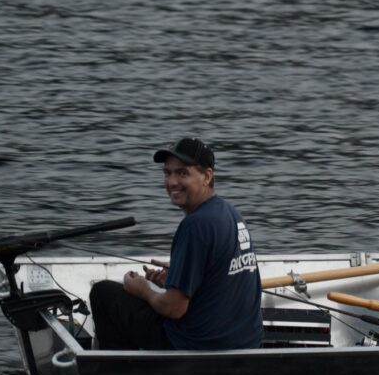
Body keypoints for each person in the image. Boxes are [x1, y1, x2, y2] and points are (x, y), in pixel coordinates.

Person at [90, 137, 263, 350]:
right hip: (246, 344)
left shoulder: (196, 225)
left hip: (197, 347)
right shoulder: (230, 213)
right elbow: (217, 274)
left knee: (103, 293)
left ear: (207, 176)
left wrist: (143, 288)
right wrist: (173, 279)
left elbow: (174, 309)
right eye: (167, 173)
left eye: (182, 173)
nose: (172, 182)